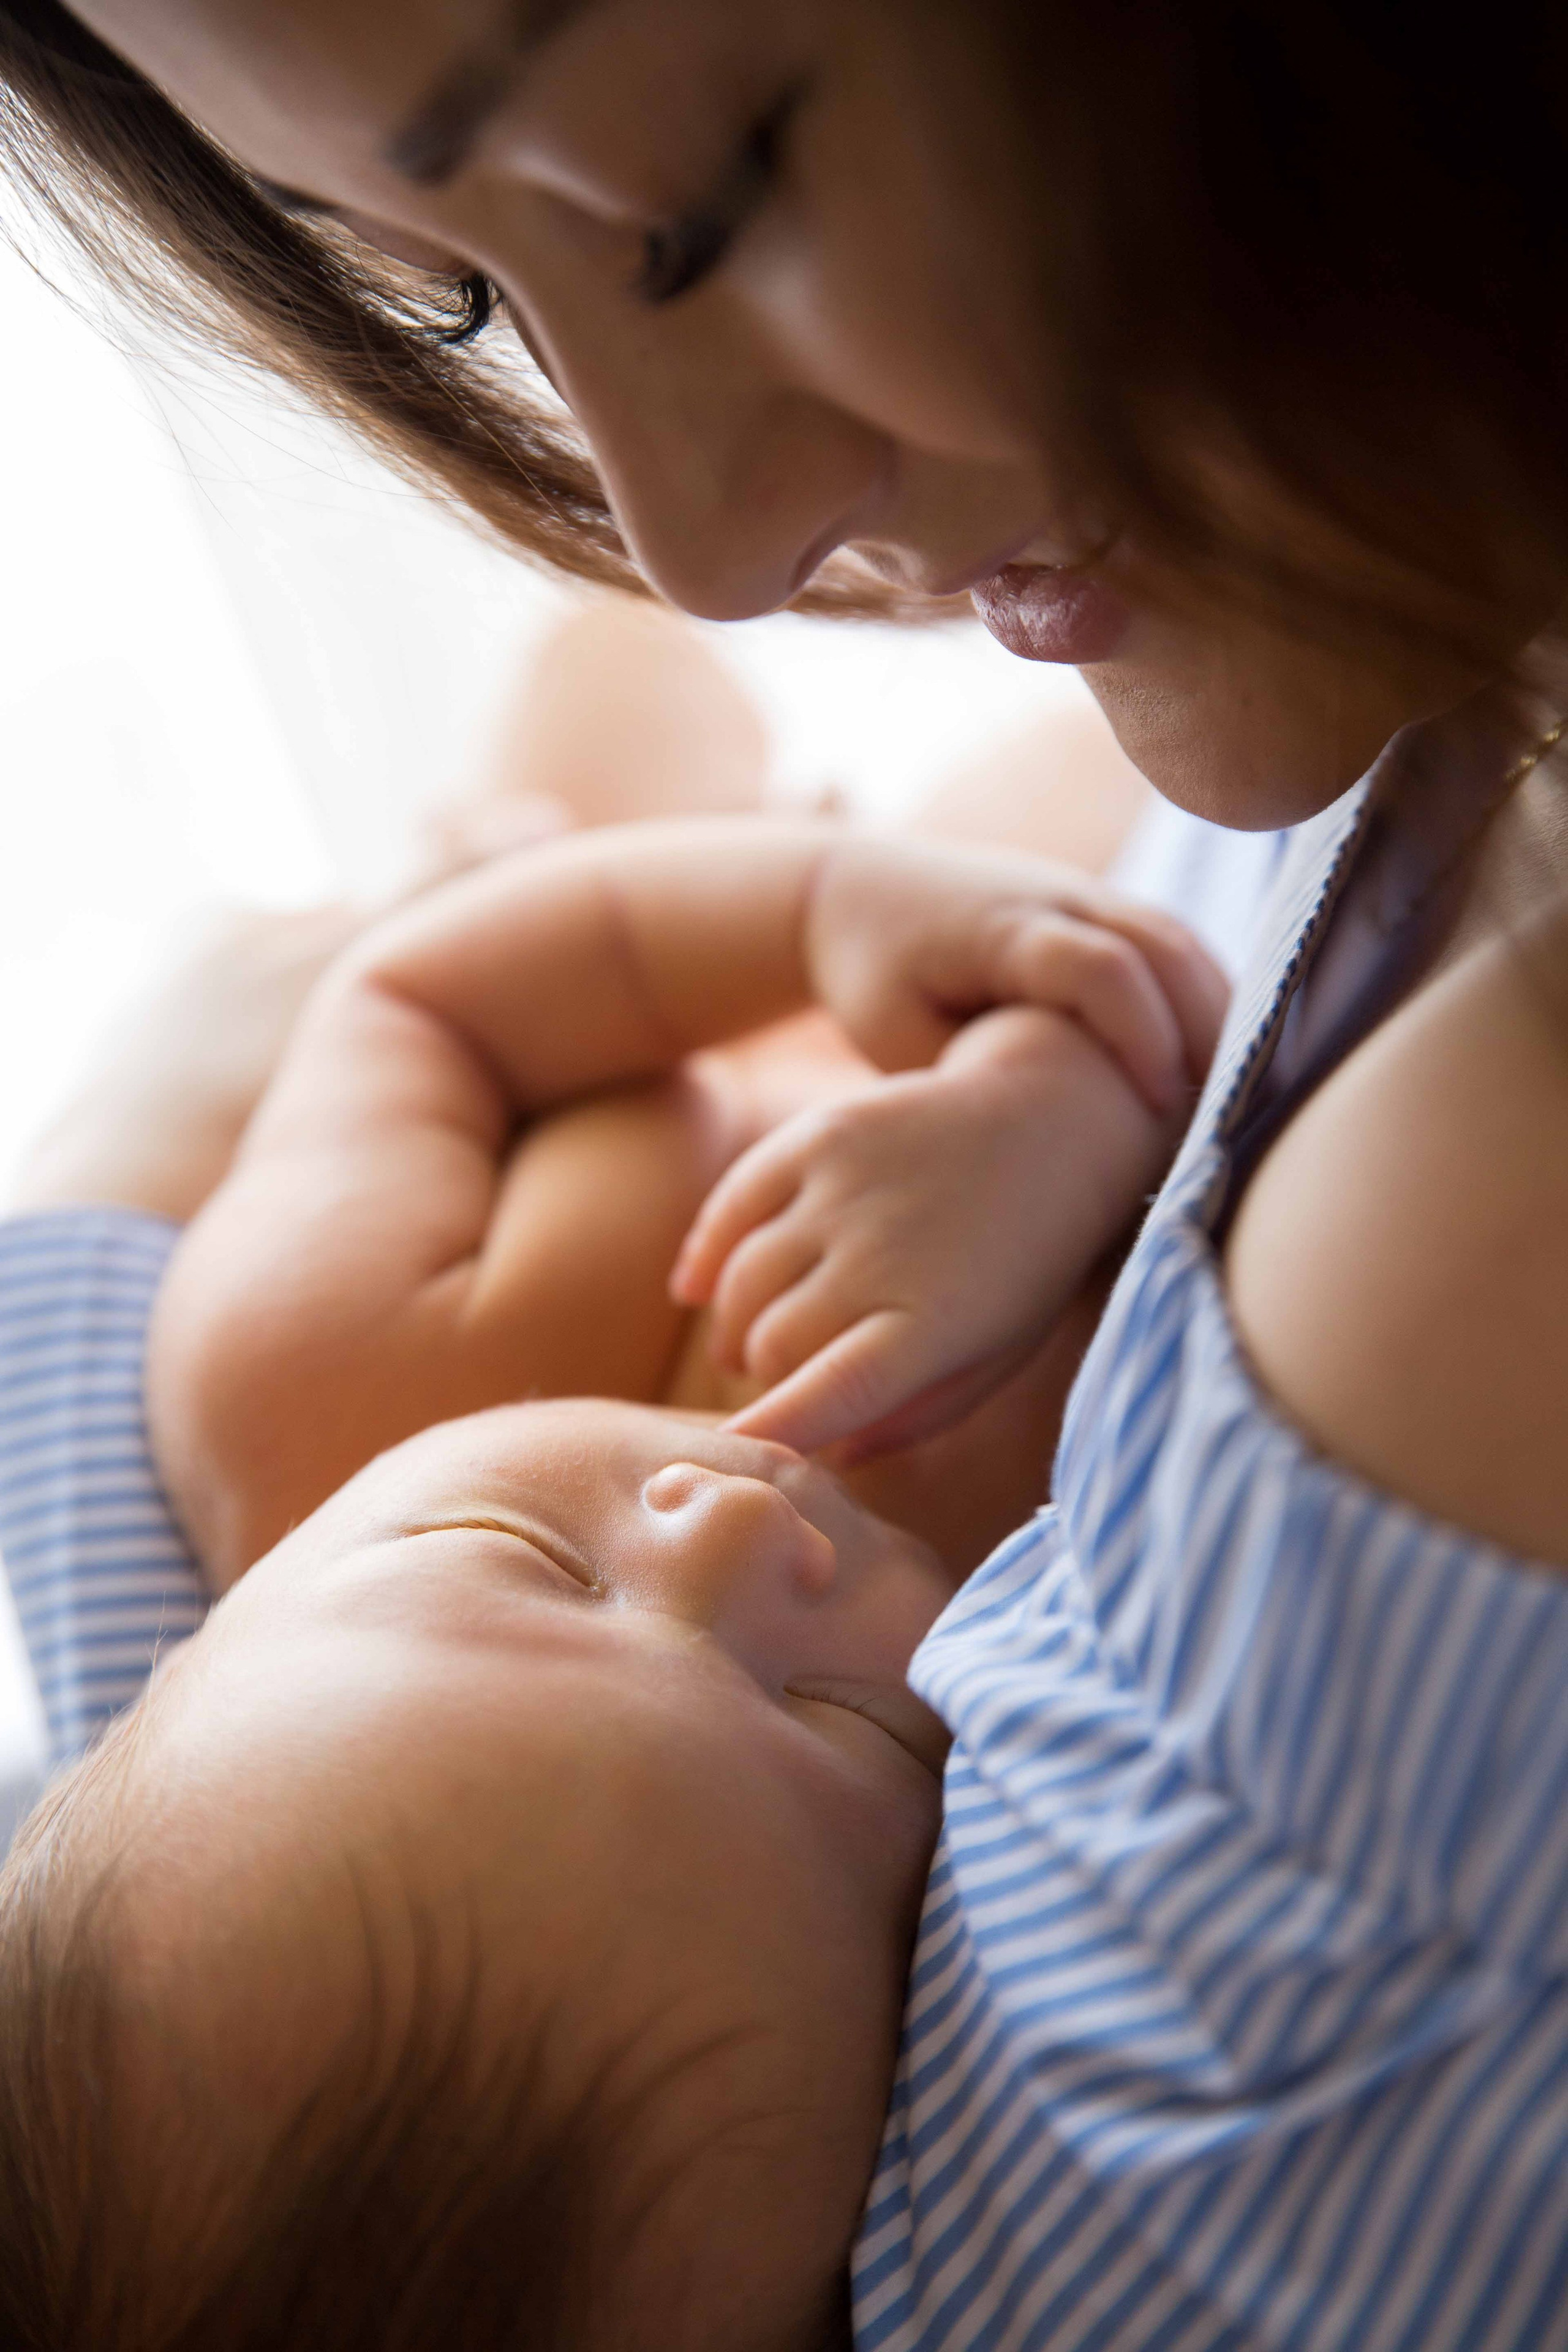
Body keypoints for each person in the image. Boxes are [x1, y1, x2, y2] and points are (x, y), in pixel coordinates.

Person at [0, 2, 1566, 2348]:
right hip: (903, 1030)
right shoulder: (923, 1794)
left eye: (711, 182)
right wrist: (1029, 1103)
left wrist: (812, 923)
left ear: (219, 1619)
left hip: (662, 993)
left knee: (603, 727)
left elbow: (385, 999)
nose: (730, 1522)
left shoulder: (277, 1403)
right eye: (468, 293)